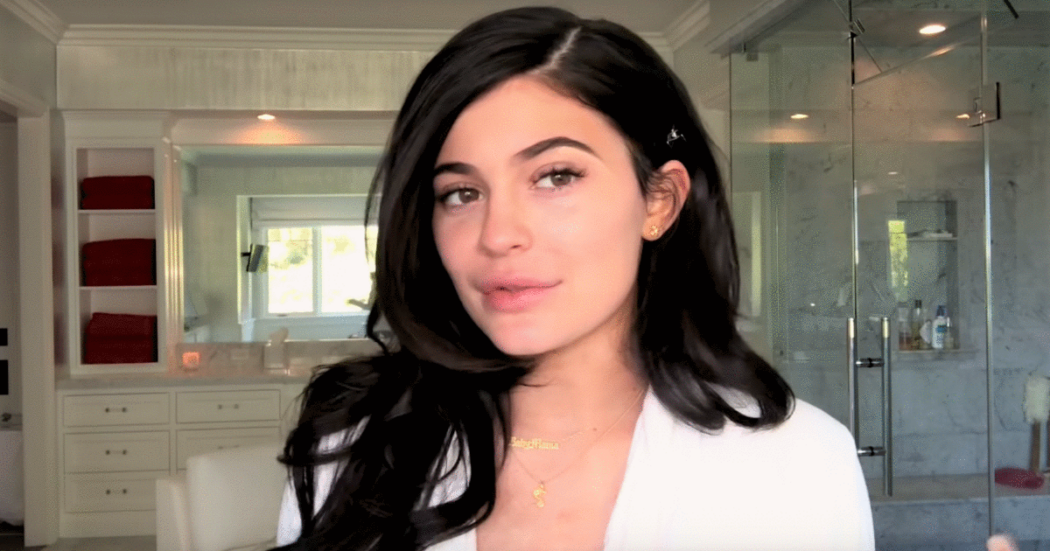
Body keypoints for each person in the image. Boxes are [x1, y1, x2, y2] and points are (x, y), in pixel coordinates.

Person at [273, 6, 874, 551]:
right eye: (460, 192)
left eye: (556, 176)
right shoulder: (355, 452)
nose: (497, 234)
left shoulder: (796, 463)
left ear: (659, 201)